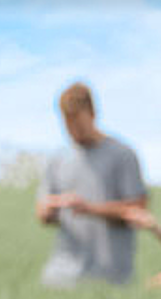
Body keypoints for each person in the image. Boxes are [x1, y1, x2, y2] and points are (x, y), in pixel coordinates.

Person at [36, 81, 148, 287]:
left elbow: (139, 210)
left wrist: (89, 209)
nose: (74, 131)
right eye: (68, 124)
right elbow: (42, 214)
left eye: (78, 123)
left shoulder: (123, 155)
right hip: (61, 276)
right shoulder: (58, 159)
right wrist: (48, 210)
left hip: (111, 276)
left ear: (93, 114)